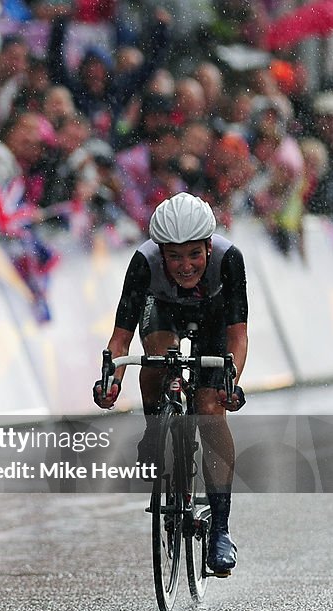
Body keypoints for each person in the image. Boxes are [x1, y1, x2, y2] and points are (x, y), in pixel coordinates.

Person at [93, 192, 248, 577]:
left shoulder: (229, 259)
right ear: (160, 250)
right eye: (174, 256)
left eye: (194, 254)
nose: (184, 265)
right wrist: (111, 380)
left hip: (213, 317)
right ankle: (154, 429)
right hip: (161, 311)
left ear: (209, 246)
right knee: (158, 357)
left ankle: (221, 530)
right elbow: (120, 340)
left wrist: (230, 384)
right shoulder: (144, 262)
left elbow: (237, 338)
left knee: (211, 411)